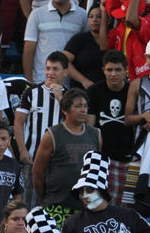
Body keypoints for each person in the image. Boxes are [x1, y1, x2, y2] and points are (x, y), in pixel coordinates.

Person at [33, 89, 100, 223]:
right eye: (78, 106)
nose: (83, 110)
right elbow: (37, 171)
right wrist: (45, 201)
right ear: (65, 110)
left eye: (85, 106)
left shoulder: (95, 134)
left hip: (87, 206)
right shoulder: (52, 135)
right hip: (58, 205)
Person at [15, 52, 69, 209]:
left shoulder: (71, 96)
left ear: (65, 72)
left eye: (55, 69)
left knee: (53, 206)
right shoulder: (31, 93)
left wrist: (60, 98)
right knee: (28, 206)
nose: (50, 73)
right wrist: (22, 150)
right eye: (47, 68)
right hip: (32, 159)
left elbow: (75, 123)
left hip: (59, 162)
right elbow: (18, 122)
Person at [23, 0, 89, 85]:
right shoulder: (37, 14)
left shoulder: (83, 15)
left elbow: (85, 49)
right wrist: (30, 82)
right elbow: (28, 51)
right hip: (42, 81)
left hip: (71, 84)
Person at [85, 50, 133, 207]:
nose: (113, 74)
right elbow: (89, 128)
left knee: (125, 209)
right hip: (102, 157)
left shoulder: (133, 91)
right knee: (99, 205)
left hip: (128, 157)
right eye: (109, 70)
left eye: (118, 69)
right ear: (103, 70)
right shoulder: (94, 91)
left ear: (126, 70)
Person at [100, 0, 150, 81]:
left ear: (140, 15)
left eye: (125, 16)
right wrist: (104, 14)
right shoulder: (121, 26)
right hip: (123, 78)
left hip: (143, 79)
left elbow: (131, 20)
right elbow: (104, 45)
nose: (123, 19)